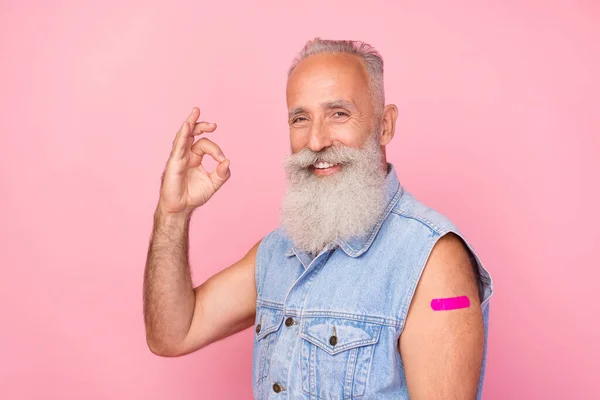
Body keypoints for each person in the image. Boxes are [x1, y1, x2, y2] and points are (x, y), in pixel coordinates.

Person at [143, 38, 494, 400]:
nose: (315, 140)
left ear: (385, 125)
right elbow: (173, 333)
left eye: (338, 113)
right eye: (300, 118)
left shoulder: (433, 261)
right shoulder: (278, 252)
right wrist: (173, 213)